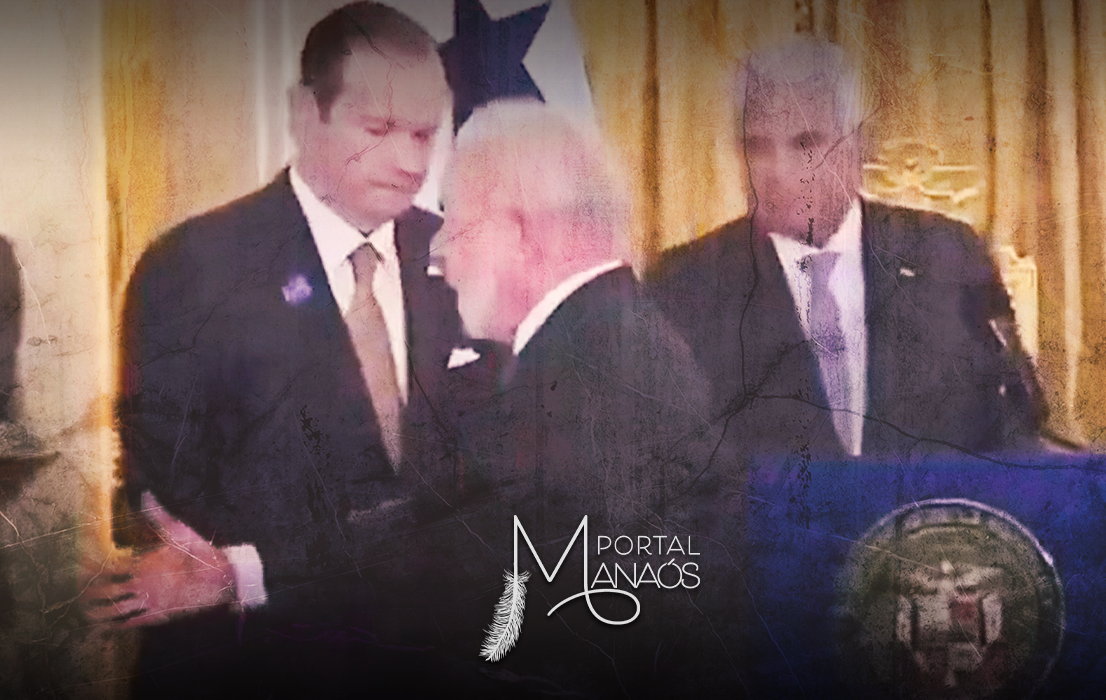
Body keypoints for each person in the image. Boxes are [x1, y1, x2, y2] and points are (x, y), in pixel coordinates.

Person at [83, 3, 477, 696]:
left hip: (430, 665)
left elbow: (478, 488)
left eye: (423, 133)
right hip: (255, 665)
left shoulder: (458, 256)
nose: (408, 161)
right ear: (304, 112)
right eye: (378, 130)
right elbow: (176, 501)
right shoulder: (192, 268)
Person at [425, 99, 747, 697]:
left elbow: (474, 569)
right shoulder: (604, 341)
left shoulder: (587, 373)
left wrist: (267, 582)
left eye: (454, 219)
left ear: (517, 233)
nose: (439, 252)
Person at [645, 38, 1043, 465]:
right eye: (755, 147)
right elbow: (671, 463)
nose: (777, 171)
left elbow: (1014, 423)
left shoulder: (945, 254)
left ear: (859, 145)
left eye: (805, 144)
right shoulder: (686, 282)